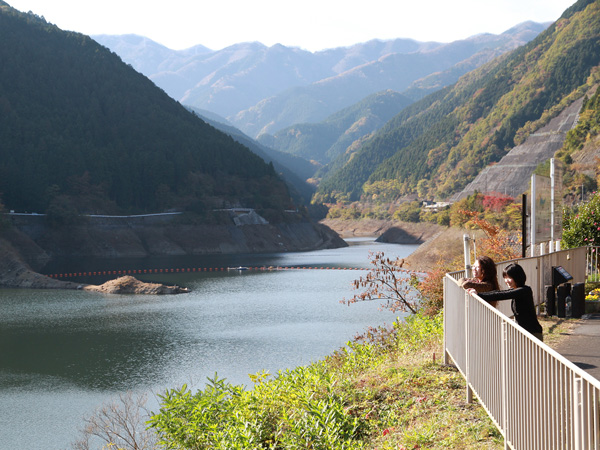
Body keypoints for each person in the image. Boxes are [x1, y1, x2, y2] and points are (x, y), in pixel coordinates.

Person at [469, 263, 543, 341]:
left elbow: (501, 295)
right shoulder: (516, 290)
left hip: (533, 334)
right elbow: (498, 292)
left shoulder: (524, 290)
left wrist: (479, 295)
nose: (506, 281)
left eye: (509, 277)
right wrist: (478, 294)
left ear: (517, 277)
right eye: (505, 277)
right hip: (523, 333)